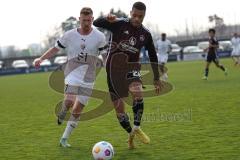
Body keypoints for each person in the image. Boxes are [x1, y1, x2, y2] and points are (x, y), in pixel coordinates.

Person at [34, 7, 106, 147]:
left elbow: (104, 55)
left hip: (89, 77)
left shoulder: (99, 37)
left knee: (78, 110)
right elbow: (55, 49)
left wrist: (109, 65)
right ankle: (63, 112)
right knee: (69, 101)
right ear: (79, 19)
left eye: (89, 20)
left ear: (92, 19)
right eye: (84, 20)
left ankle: (64, 139)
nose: (86, 23)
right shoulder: (69, 35)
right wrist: (41, 59)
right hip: (72, 73)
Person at [93, 1, 162, 149]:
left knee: (138, 92)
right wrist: (107, 17)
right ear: (130, 13)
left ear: (144, 16)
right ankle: (131, 134)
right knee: (119, 111)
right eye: (135, 15)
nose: (137, 19)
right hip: (113, 69)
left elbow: (153, 56)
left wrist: (156, 78)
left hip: (132, 67)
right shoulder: (118, 24)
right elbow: (96, 22)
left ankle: (137, 127)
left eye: (140, 16)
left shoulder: (146, 34)